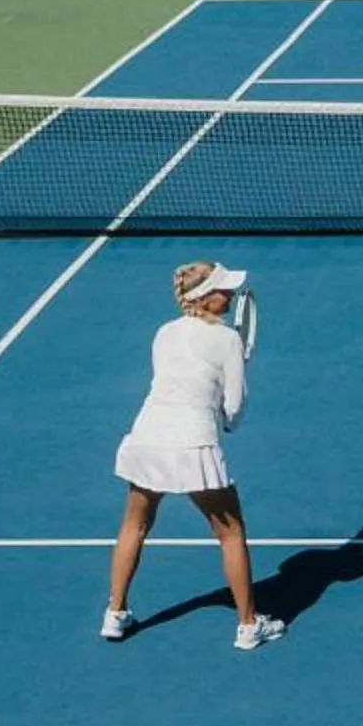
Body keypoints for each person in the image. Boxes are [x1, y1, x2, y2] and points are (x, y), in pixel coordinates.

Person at [103, 260, 286, 651]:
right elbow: (233, 406)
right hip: (192, 444)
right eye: (224, 289)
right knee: (231, 532)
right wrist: (229, 422)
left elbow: (175, 383)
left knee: (134, 523)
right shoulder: (228, 340)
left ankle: (115, 613)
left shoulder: (164, 333)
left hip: (148, 437)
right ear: (203, 297)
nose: (232, 294)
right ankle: (249, 624)